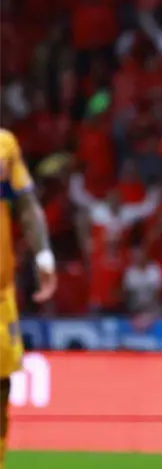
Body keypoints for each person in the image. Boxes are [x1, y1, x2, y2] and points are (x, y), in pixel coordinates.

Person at [0, 130, 57, 468]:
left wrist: (44, 257)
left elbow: (27, 203)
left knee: (1, 385)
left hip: (0, 294)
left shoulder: (4, 145)